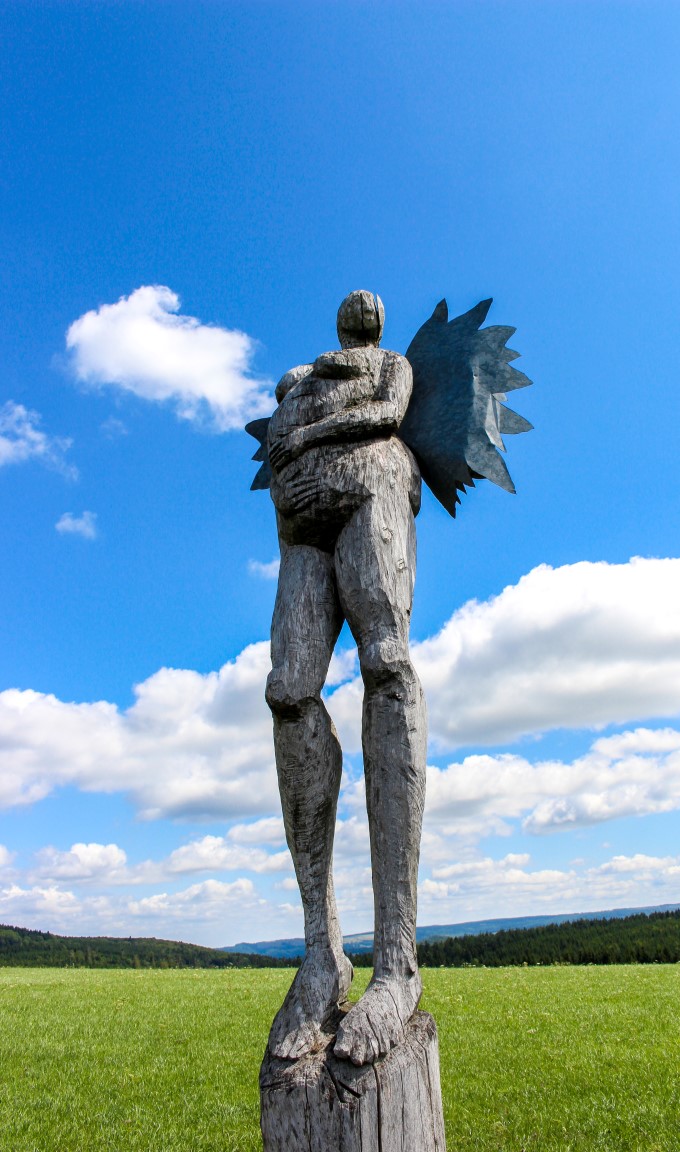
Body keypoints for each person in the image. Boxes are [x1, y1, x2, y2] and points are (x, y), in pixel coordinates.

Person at [264, 290, 427, 1067]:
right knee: (289, 693)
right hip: (302, 528)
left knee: (386, 665)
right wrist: (289, 470)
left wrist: (310, 437)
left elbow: (389, 416)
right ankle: (320, 954)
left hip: (373, 493)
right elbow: (274, 449)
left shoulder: (392, 364)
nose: (363, 309)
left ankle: (397, 964)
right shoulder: (298, 380)